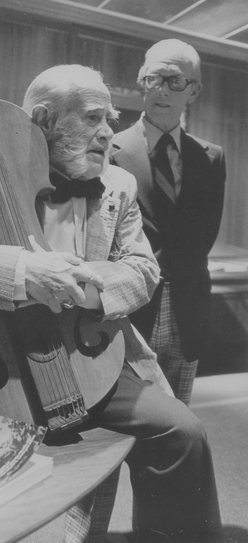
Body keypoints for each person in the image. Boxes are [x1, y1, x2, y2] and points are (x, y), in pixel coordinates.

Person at [0, 64, 223, 543]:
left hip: (90, 357)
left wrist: (84, 286)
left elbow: (142, 270)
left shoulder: (119, 185)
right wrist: (21, 273)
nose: (109, 133)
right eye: (94, 118)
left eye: (110, 119)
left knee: (184, 436)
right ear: (45, 119)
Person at [111, 39, 226, 405]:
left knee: (179, 420)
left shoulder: (211, 158)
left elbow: (205, 235)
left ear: (193, 90)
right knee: (126, 422)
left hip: (189, 310)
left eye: (174, 81)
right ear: (141, 81)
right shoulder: (109, 151)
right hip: (129, 313)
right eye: (153, 78)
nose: (162, 90)